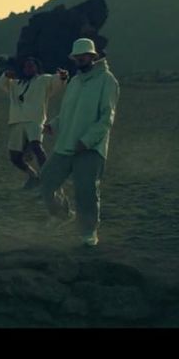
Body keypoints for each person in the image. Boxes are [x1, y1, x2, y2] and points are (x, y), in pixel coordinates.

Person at [39, 38, 119, 247]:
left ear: (93, 56)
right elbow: (67, 113)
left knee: (86, 192)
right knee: (47, 180)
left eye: (84, 55)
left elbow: (106, 118)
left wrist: (88, 141)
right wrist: (53, 125)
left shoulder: (107, 80)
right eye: (77, 56)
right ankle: (62, 214)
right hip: (66, 144)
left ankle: (88, 232)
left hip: (90, 148)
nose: (80, 59)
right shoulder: (74, 82)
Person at [0, 56, 68, 189]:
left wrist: (63, 76)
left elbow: (57, 82)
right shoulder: (15, 84)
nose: (28, 68)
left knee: (36, 146)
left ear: (37, 68)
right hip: (16, 121)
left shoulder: (43, 80)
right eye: (26, 66)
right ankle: (33, 176)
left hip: (34, 120)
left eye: (31, 66)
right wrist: (6, 75)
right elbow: (2, 84)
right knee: (14, 157)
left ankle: (49, 178)